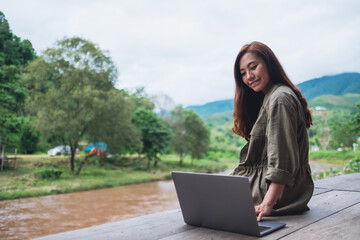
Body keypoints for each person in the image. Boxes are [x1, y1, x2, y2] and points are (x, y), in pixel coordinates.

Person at [230, 41, 314, 222]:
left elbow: (281, 161)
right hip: (272, 189)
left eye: (253, 67)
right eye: (243, 73)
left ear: (269, 64)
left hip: (280, 196)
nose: (249, 76)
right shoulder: (270, 97)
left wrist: (267, 204)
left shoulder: (279, 98)